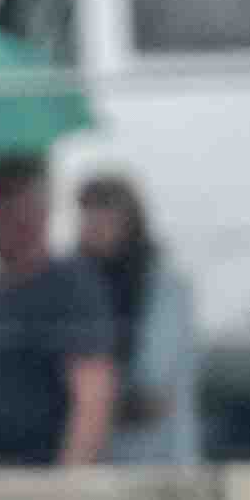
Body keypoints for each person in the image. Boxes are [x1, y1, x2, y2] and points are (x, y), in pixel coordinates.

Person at [0, 163, 119, 472]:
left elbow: (93, 393)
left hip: (27, 481)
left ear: (38, 208)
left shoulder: (66, 285)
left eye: (5, 196)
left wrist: (70, 483)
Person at [70, 160, 202, 469]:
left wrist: (89, 402)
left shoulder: (163, 288)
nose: (94, 229)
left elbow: (152, 392)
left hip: (159, 465)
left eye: (105, 218)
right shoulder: (80, 286)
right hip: (102, 465)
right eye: (89, 218)